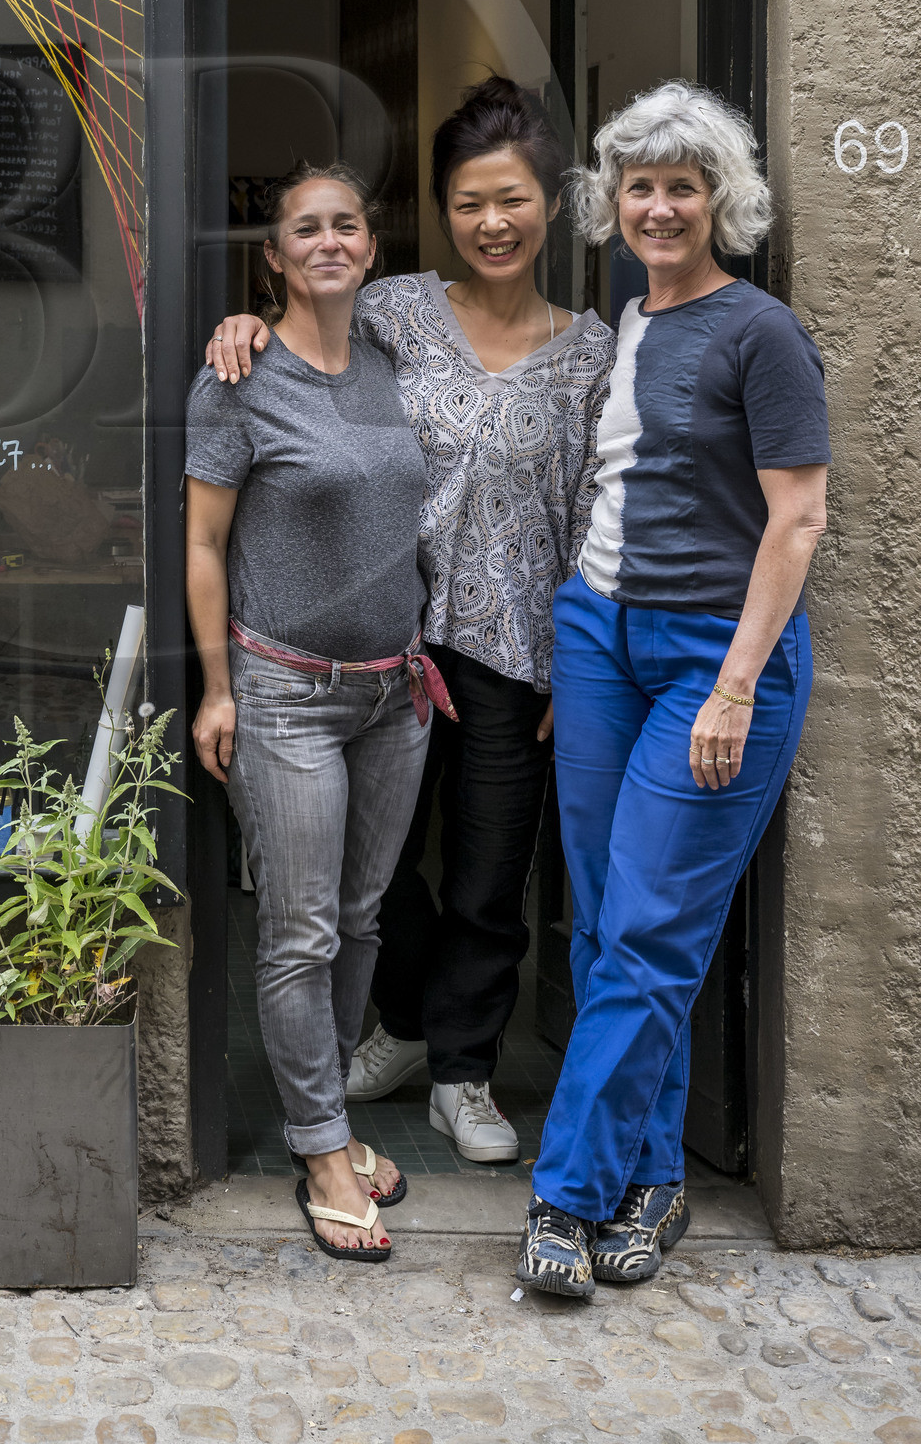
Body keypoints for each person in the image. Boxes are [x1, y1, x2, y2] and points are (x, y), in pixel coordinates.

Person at [207, 78, 614, 1164]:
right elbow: (303, 335)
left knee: (490, 873)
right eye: (472, 203)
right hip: (387, 636)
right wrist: (241, 321)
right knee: (368, 878)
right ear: (442, 213)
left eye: (513, 201)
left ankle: (465, 1071)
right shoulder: (395, 313)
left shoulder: (591, 352)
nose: (493, 223)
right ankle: (401, 1017)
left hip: (518, 653)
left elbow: (593, 515)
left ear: (551, 207)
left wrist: (580, 665)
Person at [516, 82, 827, 1299]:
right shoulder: (629, 317)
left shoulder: (761, 333)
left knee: (647, 933)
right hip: (598, 639)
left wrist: (735, 687)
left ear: (719, 202)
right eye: (638, 185)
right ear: (613, 201)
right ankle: (651, 1181)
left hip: (715, 658)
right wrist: (574, 641)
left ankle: (566, 1195)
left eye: (681, 186)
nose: (657, 206)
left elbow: (795, 521)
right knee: (605, 926)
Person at [185, 164, 437, 1259]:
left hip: (396, 691)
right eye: (305, 230)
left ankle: (324, 1116)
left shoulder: (392, 363)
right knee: (300, 928)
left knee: (365, 917)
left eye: (346, 225)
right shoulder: (236, 381)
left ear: (369, 250)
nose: (328, 241)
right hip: (285, 694)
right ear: (274, 259)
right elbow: (202, 545)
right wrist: (215, 687)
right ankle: (323, 1148)